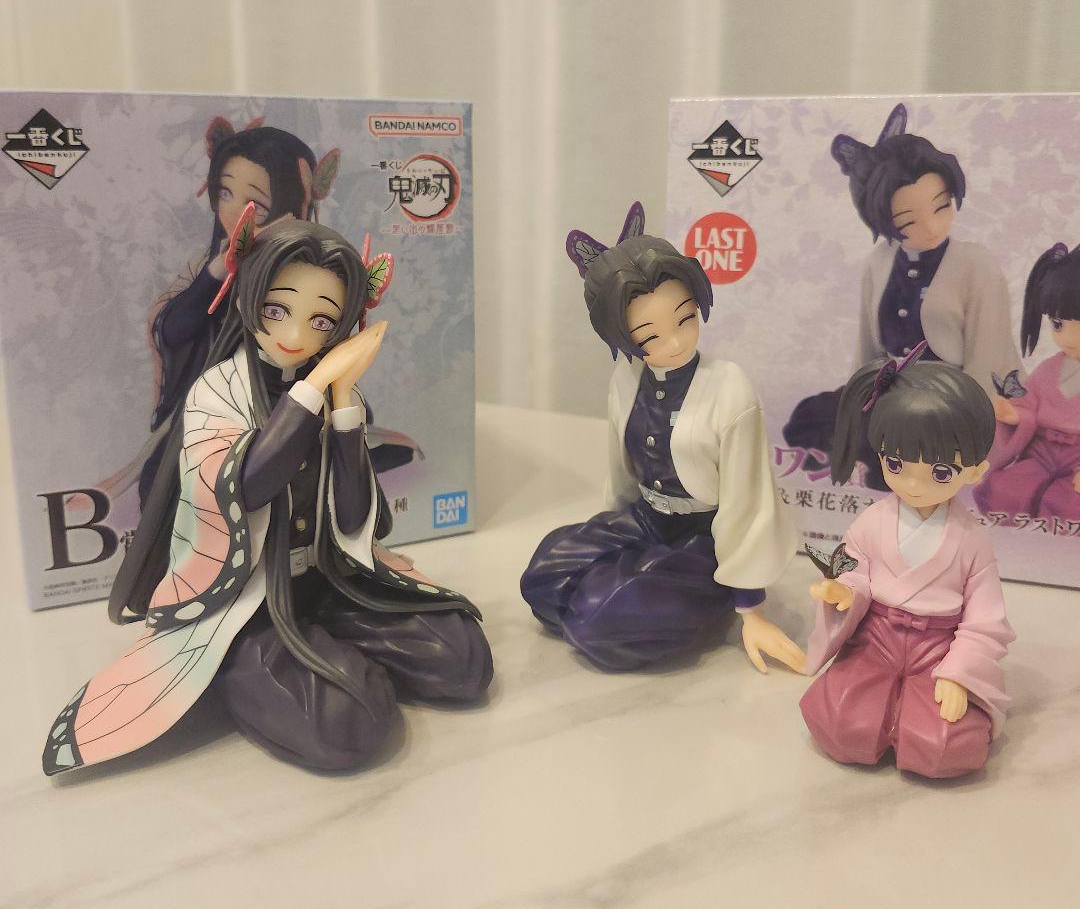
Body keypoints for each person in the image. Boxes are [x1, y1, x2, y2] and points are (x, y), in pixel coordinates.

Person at [43, 215, 491, 776]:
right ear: (247, 297)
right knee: (348, 723)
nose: (295, 335)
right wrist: (313, 388)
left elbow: (356, 518)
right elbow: (246, 488)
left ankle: (333, 652)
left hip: (326, 580)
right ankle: (247, 674)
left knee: (461, 658)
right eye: (277, 310)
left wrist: (343, 405)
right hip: (244, 599)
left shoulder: (337, 392)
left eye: (321, 321)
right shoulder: (216, 394)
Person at [520, 202, 804, 674]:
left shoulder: (729, 388)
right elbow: (621, 469)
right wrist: (613, 536)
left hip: (705, 537)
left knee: (595, 620)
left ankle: (707, 598)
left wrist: (751, 607)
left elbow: (748, 501)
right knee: (543, 578)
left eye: (685, 319)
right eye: (649, 337)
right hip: (647, 518)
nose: (674, 344)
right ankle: (633, 590)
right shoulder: (627, 378)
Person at [800, 344, 1014, 778]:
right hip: (875, 638)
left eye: (940, 472)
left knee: (944, 746)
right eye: (896, 464)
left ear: (974, 471)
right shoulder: (873, 521)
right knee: (841, 723)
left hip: (939, 646)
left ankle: (914, 718)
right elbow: (855, 570)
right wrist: (845, 592)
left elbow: (984, 621)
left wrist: (958, 673)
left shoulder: (972, 541)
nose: (914, 485)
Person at [784, 103, 1021, 487]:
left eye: (942, 206)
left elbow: (987, 354)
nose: (932, 228)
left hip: (949, 395)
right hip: (889, 385)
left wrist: (974, 420)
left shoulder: (976, 264)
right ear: (882, 220)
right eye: (908, 221)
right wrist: (855, 397)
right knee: (808, 419)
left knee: (900, 447)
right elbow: (867, 345)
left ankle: (892, 465)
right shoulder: (878, 262)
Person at [974, 242, 1080, 523]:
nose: (1070, 339)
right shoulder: (1049, 370)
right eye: (1058, 324)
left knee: (1067, 505)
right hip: (1041, 451)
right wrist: (1015, 415)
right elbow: (1028, 405)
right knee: (1008, 491)